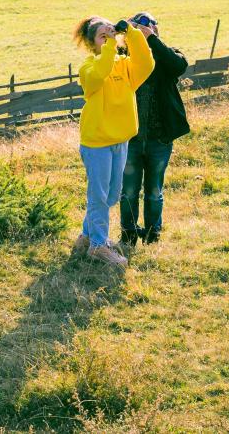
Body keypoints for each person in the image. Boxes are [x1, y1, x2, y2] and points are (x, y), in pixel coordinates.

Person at [73, 16, 153, 268]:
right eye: (102, 37)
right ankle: (98, 245)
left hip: (120, 138)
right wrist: (109, 46)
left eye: (110, 34)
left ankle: (86, 237)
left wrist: (132, 33)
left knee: (109, 196)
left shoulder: (124, 64)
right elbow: (100, 73)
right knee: (98, 195)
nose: (108, 39)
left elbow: (146, 64)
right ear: (93, 43)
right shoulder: (88, 67)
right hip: (97, 141)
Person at [120, 12, 189, 246]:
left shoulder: (168, 55)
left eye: (148, 28)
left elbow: (179, 66)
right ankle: (128, 233)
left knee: (153, 190)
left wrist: (151, 40)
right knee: (128, 190)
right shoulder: (123, 57)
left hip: (159, 138)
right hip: (130, 138)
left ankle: (152, 233)